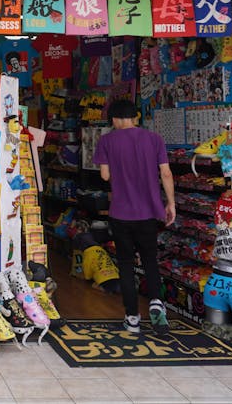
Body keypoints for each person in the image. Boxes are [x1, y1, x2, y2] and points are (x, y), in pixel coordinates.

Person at [92, 99, 175, 335]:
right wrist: (170, 203)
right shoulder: (154, 139)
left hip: (121, 213)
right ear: (135, 118)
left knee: (126, 265)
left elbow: (105, 176)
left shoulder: (107, 140)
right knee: (150, 260)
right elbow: (166, 173)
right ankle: (157, 303)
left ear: (115, 119)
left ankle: (132, 318)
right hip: (149, 212)